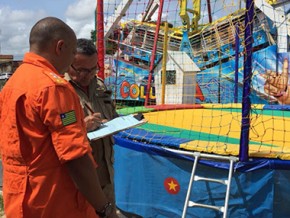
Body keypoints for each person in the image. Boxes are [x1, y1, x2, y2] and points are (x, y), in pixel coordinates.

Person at [0, 17, 113, 218]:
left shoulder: (13, 84)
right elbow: (75, 157)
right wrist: (103, 208)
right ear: (60, 47)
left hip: (21, 198)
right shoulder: (53, 88)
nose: (71, 62)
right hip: (55, 201)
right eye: (71, 54)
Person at [64, 38, 119, 218]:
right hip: (79, 179)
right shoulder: (60, 90)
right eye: (80, 70)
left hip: (106, 173)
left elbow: (112, 114)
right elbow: (60, 133)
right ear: (69, 62)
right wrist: (83, 126)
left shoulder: (99, 85)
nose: (87, 76)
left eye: (92, 69)